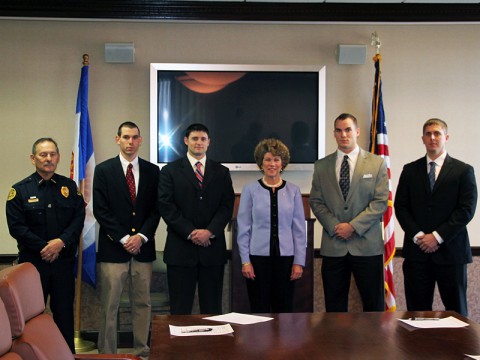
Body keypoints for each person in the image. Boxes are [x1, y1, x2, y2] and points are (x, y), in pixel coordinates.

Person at [6, 137, 85, 353]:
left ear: (58, 157)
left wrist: (60, 243)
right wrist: (45, 247)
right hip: (32, 268)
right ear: (33, 159)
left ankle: (67, 355)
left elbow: (78, 218)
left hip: (62, 265)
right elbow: (17, 228)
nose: (48, 159)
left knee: (64, 318)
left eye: (52, 154)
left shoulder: (69, 187)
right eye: (43, 154)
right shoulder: (19, 191)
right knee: (30, 321)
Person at [394, 118, 477, 317]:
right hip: (417, 252)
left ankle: (458, 349)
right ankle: (418, 349)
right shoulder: (410, 170)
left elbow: (466, 210)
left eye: (437, 133)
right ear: (422, 138)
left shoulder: (463, 170)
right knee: (417, 312)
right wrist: (419, 236)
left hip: (451, 253)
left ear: (446, 137)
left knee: (456, 311)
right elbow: (401, 207)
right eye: (428, 134)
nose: (432, 138)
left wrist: (437, 236)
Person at [309, 113, 389, 312]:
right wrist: (335, 227)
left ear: (357, 132)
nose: (343, 135)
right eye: (339, 130)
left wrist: (353, 226)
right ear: (334, 133)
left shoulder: (376, 163)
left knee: (374, 306)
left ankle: (376, 344)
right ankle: (337, 343)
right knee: (334, 308)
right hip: (334, 246)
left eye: (348, 130)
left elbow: (379, 203)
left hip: (367, 247)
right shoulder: (321, 166)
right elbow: (316, 202)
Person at [93, 121, 160, 357]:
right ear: (117, 139)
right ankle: (108, 353)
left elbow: (156, 209)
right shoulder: (103, 170)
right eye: (126, 137)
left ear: (140, 140)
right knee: (110, 306)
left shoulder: (153, 171)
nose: (130, 142)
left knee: (142, 305)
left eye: (134, 138)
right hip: (113, 249)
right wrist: (124, 238)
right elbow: (101, 210)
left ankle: (141, 352)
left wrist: (140, 237)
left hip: (143, 250)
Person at [158, 123, 234, 315]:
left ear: (209, 142)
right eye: (194, 138)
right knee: (180, 310)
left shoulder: (222, 172)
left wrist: (209, 231)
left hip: (212, 251)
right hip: (181, 251)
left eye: (203, 139)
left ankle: (213, 345)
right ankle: (180, 346)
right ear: (186, 141)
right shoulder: (170, 171)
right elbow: (167, 207)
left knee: (212, 309)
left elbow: (226, 206)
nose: (199, 143)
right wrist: (191, 233)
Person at [236, 138, 306, 313]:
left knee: (284, 309)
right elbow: (243, 228)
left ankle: (283, 342)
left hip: (286, 261)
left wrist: (299, 262)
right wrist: (245, 261)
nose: (272, 164)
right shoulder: (250, 190)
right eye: (267, 159)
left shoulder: (294, 191)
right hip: (257, 260)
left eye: (276, 159)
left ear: (282, 163)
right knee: (259, 309)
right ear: (261, 163)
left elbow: (299, 231)